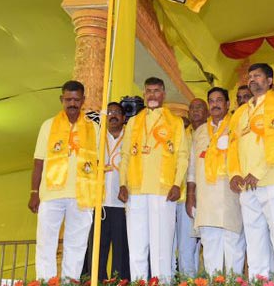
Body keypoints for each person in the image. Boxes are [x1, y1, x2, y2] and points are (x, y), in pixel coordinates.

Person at [228, 63, 274, 278]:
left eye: (257, 76)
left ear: (269, 80)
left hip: (271, 177)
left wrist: (257, 172)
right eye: (250, 77)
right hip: (246, 183)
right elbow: (233, 145)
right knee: (253, 234)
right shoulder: (241, 112)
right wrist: (234, 173)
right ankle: (259, 279)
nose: (252, 80)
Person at [118, 77, 189, 281]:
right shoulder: (133, 122)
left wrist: (177, 184)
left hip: (163, 191)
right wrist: (122, 184)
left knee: (162, 246)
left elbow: (182, 156)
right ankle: (138, 282)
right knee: (137, 245)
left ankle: (163, 282)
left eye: (157, 91)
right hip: (136, 190)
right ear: (144, 94)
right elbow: (125, 156)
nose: (152, 95)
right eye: (149, 91)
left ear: (163, 94)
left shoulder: (175, 122)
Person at [29, 80, 99, 280]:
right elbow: (39, 162)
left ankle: (70, 282)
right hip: (51, 194)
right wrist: (34, 192)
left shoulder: (94, 128)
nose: (72, 104)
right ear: (62, 99)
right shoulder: (48, 125)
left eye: (76, 100)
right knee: (46, 243)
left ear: (83, 100)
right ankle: (45, 282)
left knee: (77, 245)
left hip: (82, 196)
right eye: (68, 99)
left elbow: (98, 163)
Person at [186, 87, 246, 274]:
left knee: (233, 245)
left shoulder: (237, 126)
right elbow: (192, 168)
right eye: (211, 101)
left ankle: (234, 282)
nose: (215, 104)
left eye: (219, 100)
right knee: (210, 246)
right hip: (206, 198)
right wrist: (190, 195)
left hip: (230, 196)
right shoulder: (200, 132)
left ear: (227, 104)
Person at [83, 102, 131, 280]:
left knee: (121, 251)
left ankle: (119, 282)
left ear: (124, 118)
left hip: (122, 205)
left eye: (117, 112)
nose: (113, 115)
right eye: (109, 112)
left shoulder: (130, 138)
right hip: (99, 204)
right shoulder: (97, 138)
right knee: (97, 251)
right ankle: (95, 282)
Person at [174, 98, 207, 276]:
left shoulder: (212, 133)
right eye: (192, 108)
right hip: (185, 197)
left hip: (209, 195)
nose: (195, 111)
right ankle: (188, 279)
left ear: (207, 112)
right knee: (186, 244)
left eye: (199, 107)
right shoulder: (181, 134)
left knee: (207, 243)